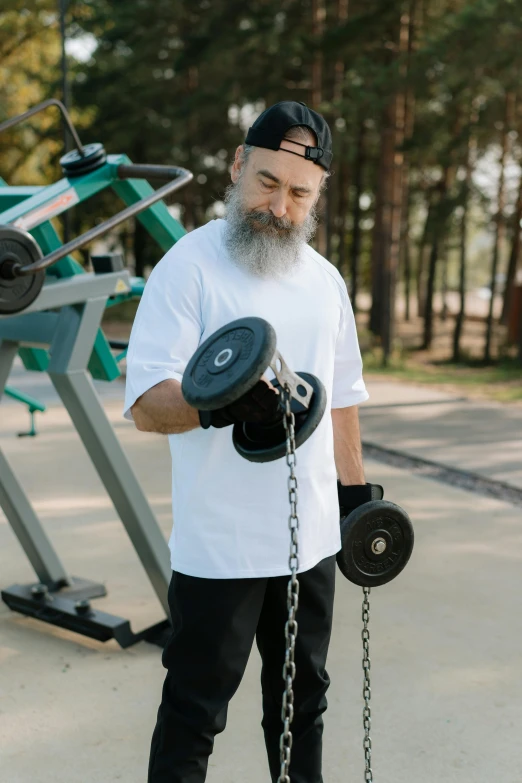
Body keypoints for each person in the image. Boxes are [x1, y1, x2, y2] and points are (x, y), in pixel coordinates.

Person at [124, 100, 370, 783]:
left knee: (302, 704)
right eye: (267, 181)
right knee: (195, 709)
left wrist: (356, 500)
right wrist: (217, 409)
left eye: (299, 193)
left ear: (316, 195)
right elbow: (146, 403)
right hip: (221, 543)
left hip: (312, 538)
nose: (279, 206)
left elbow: (343, 399)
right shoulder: (189, 265)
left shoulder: (325, 281)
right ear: (237, 166)